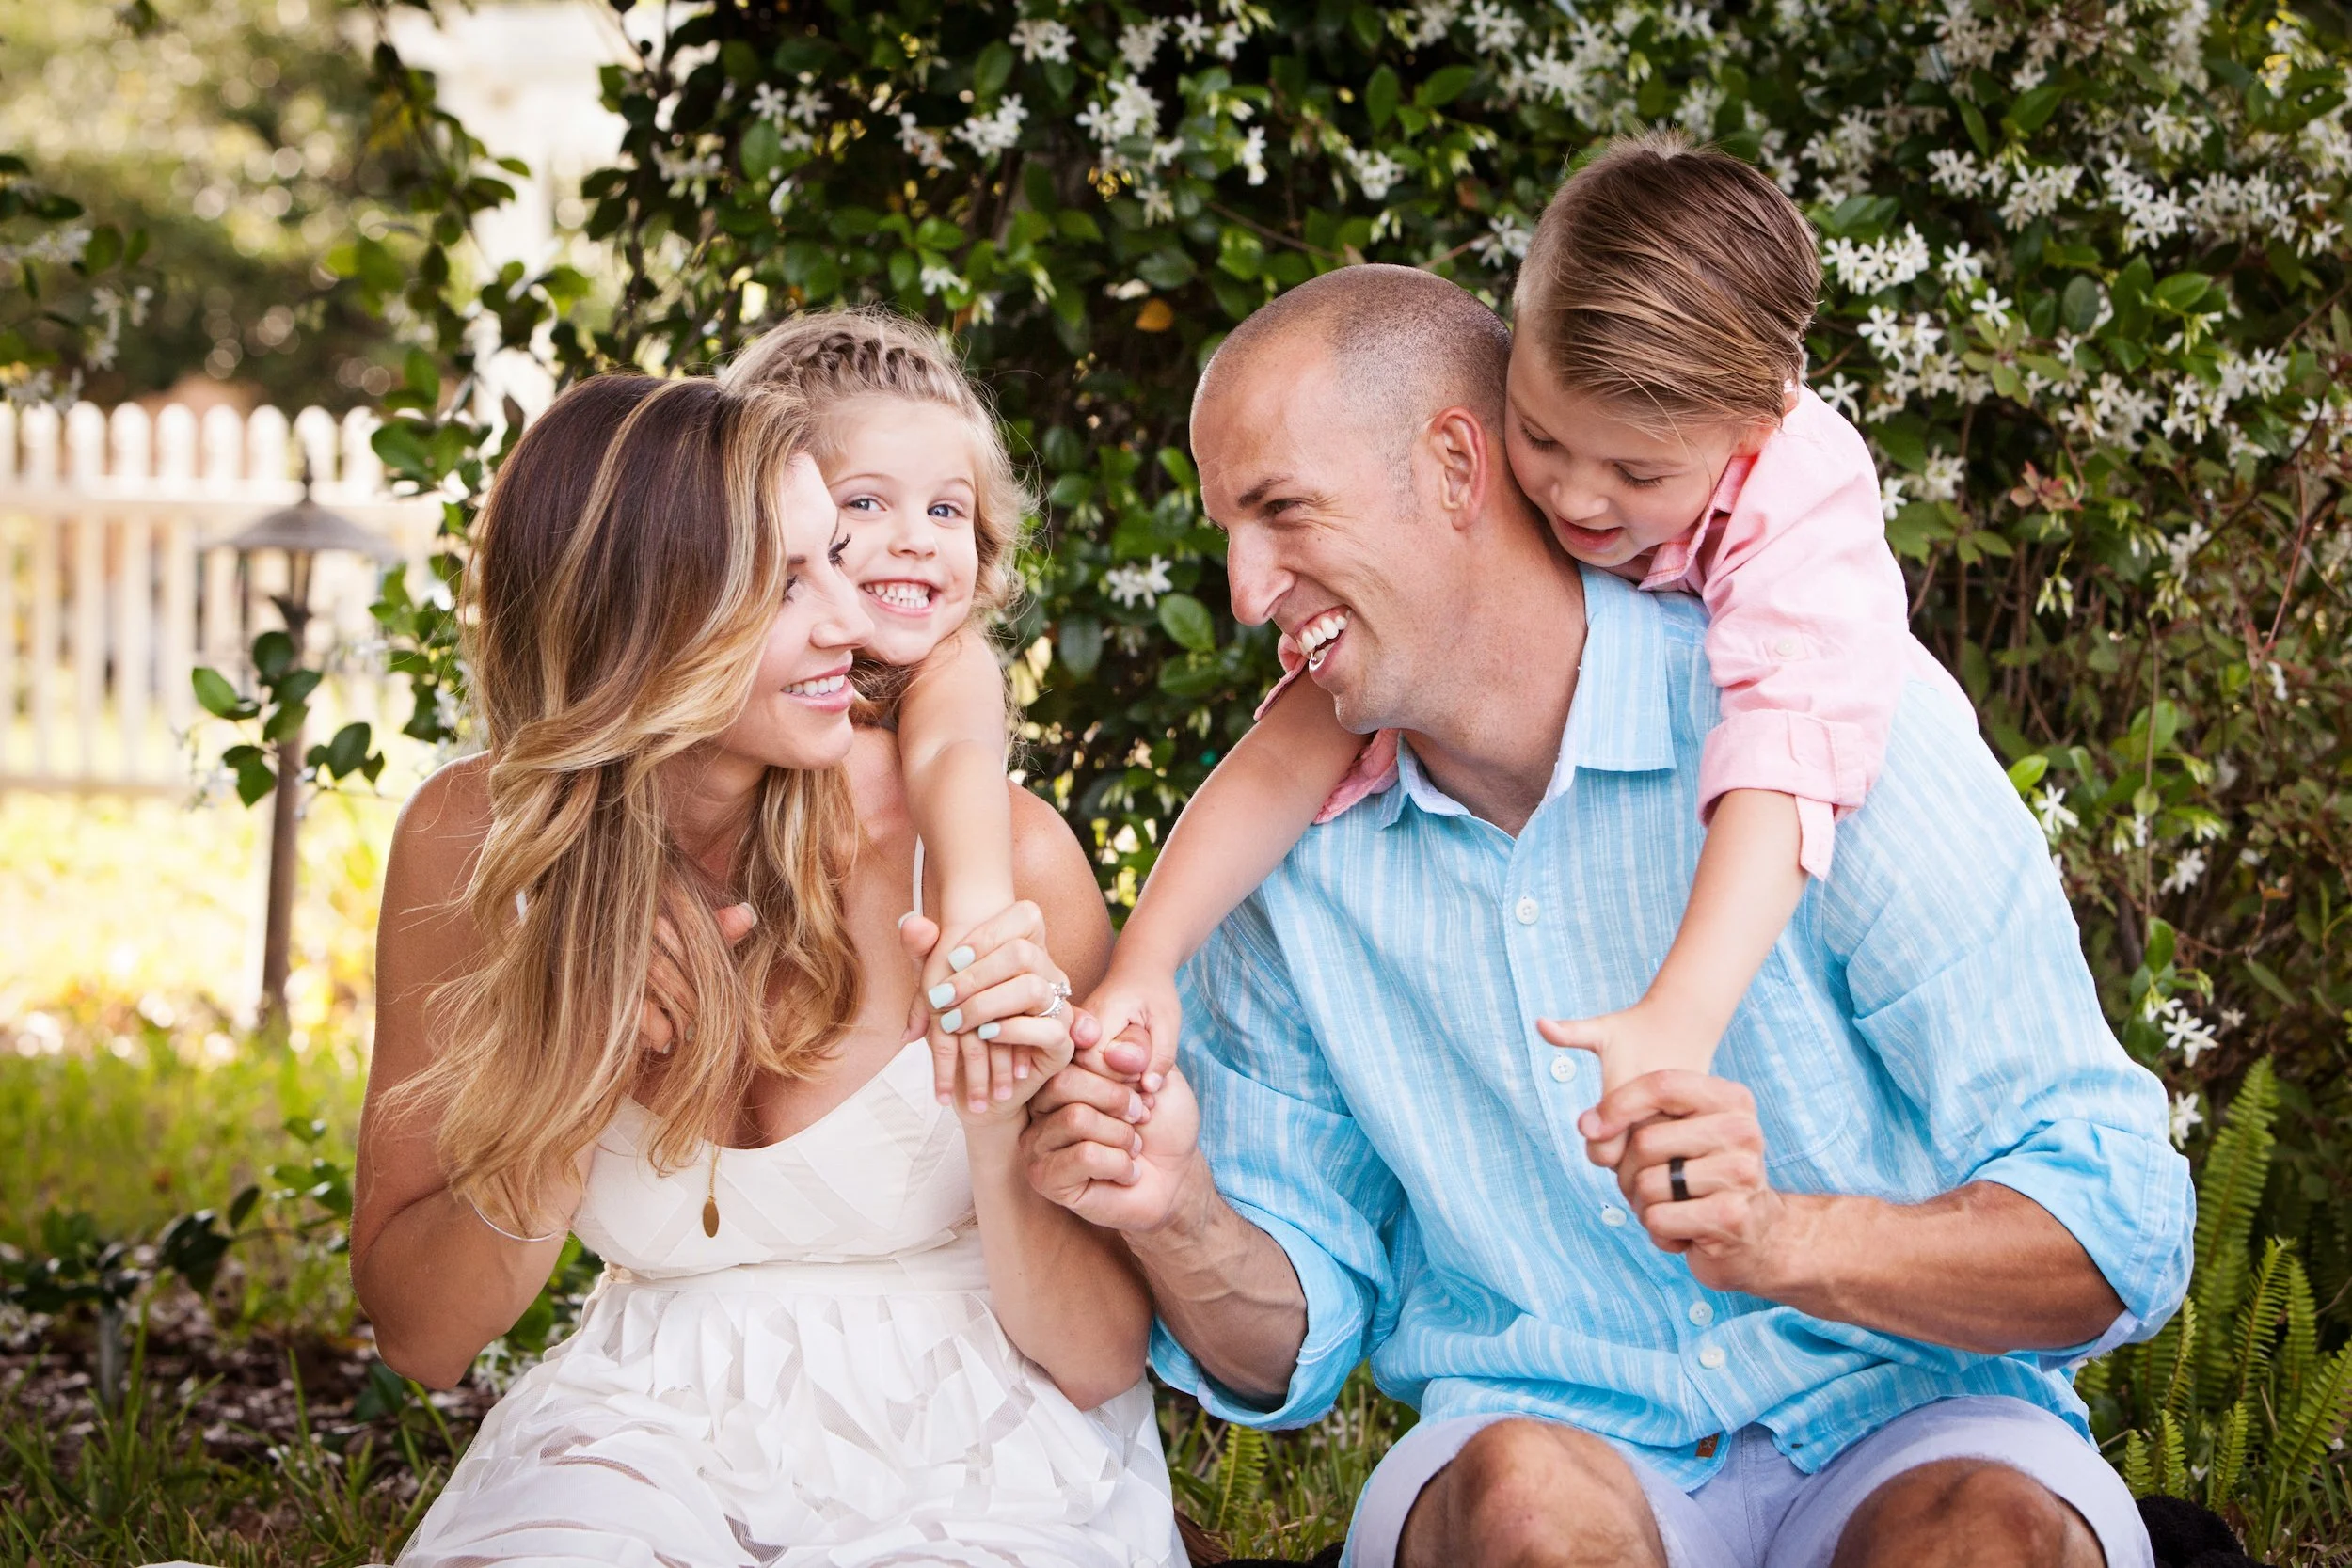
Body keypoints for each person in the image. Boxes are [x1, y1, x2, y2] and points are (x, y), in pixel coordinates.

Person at [1023, 262, 2193, 1568]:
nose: (1245, 593)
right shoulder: (1285, 866)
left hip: (1918, 1418)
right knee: (1521, 1500)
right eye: (1228, 533)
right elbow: (1283, 1350)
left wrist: (1783, 1236)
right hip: (1548, 1428)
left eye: (1283, 510)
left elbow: (2116, 1227)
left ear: (1456, 467)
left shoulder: (1826, 722)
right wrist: (1174, 1205)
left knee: (1982, 1540)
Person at [353, 372, 1181, 1566]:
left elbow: (1101, 1351)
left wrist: (1000, 1118)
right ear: (643, 617)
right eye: (790, 581)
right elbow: (421, 1336)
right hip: (640, 1421)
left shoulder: (992, 856)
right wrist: (571, 1078)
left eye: (834, 559)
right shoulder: (471, 843)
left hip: (974, 1435)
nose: (851, 619)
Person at [1085, 133, 1921, 1102]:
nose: (1576, 497)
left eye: (1636, 472)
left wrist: (1682, 1013)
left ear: (1755, 427)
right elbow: (1282, 756)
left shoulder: (1799, 514)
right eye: (1541, 438)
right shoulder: (1506, 466)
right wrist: (1146, 958)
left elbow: (1787, 755)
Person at [722, 309, 1038, 1117]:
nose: (917, 540)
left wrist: (976, 914)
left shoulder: (950, 661)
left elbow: (953, 753)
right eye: (866, 503)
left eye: (946, 511)